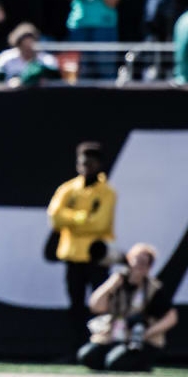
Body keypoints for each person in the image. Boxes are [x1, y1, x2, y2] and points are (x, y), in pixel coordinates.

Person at [48, 141, 117, 352]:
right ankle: (76, 349)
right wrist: (82, 218)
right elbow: (55, 217)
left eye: (90, 163)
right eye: (82, 163)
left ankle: (102, 347)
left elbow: (101, 223)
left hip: (96, 258)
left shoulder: (107, 192)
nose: (86, 167)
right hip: (72, 257)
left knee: (101, 305)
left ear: (99, 164)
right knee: (75, 306)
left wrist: (72, 220)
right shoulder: (67, 189)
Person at [79, 243, 177, 371]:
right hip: (115, 336)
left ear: (149, 267)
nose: (137, 266)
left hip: (137, 341)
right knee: (87, 356)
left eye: (143, 263)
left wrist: (146, 333)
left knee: (115, 362)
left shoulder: (152, 288)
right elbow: (96, 307)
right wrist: (111, 284)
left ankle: (140, 363)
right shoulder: (117, 282)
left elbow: (171, 318)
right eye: (135, 260)